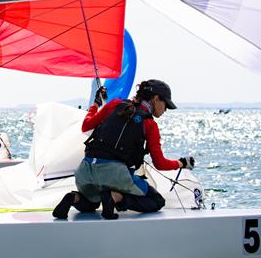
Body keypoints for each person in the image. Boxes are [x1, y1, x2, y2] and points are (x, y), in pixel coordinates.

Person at [52, 79, 195, 220]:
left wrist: (96, 105)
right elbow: (159, 163)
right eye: (166, 105)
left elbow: (86, 125)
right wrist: (181, 163)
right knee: (156, 201)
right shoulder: (149, 124)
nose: (166, 110)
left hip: (85, 170)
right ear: (156, 99)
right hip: (115, 174)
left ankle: (74, 197)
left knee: (91, 203)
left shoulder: (114, 104)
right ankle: (115, 197)